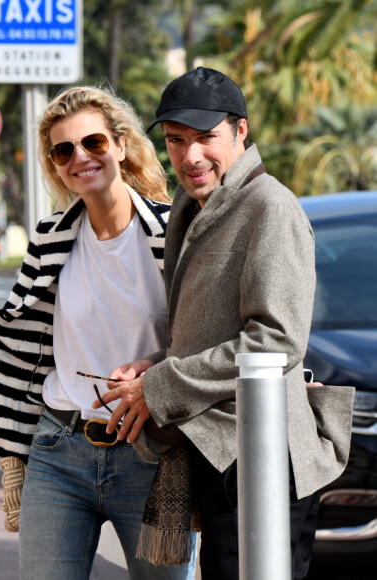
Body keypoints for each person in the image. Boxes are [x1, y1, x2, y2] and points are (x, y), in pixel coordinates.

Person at [0, 85, 197, 579]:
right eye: (64, 150)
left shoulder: (175, 233)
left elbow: (204, 345)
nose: (80, 157)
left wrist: (155, 371)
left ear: (121, 146)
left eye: (94, 143)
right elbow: (4, 352)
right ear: (55, 164)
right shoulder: (50, 239)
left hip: (152, 452)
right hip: (60, 450)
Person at [95, 67, 355, 579]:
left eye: (206, 138)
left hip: (262, 454)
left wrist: (161, 384)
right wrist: (151, 367)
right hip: (220, 450)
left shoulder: (270, 207)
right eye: (175, 141)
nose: (190, 156)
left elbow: (275, 341)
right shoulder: (189, 209)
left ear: (240, 131)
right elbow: (203, 331)